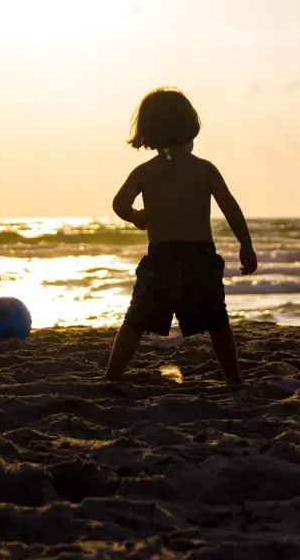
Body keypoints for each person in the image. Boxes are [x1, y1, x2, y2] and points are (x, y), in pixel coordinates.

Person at [105, 87, 257, 382]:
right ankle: (234, 379)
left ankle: (112, 376)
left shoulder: (145, 171)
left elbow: (119, 203)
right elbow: (230, 208)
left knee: (135, 320)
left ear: (148, 131)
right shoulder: (204, 169)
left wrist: (136, 217)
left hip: (161, 256)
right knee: (217, 321)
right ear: (190, 126)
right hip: (199, 257)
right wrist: (245, 244)